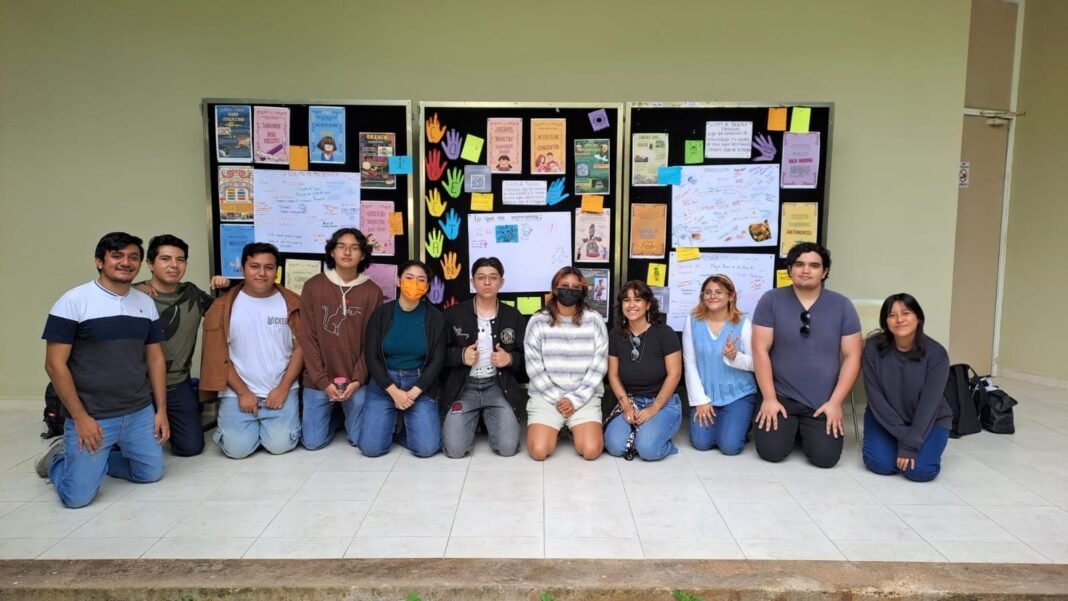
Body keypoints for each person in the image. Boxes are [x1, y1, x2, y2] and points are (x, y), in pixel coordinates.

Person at [37, 232, 169, 508]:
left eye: (133, 257)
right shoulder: (73, 301)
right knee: (77, 499)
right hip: (93, 415)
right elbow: (54, 364)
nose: (126, 262)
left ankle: (98, 460)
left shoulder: (145, 303)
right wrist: (80, 417)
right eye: (117, 256)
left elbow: (155, 359)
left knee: (150, 474)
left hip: (138, 413)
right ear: (99, 261)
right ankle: (59, 460)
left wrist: (160, 411)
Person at [752, 242, 862, 468]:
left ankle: (804, 430)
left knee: (825, 459)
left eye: (814, 265)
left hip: (822, 399)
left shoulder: (842, 305)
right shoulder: (770, 300)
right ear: (789, 270)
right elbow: (759, 350)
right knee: (771, 452)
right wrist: (770, 399)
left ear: (825, 271)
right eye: (799, 264)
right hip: (780, 395)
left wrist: (835, 402)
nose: (806, 270)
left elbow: (852, 356)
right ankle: (793, 428)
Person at [199, 242, 303, 459]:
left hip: (281, 390)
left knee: (279, 446)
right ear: (242, 269)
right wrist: (243, 392)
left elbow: (300, 349)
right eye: (254, 266)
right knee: (237, 451)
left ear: (277, 271)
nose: (262, 273)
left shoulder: (292, 303)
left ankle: (267, 428)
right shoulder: (222, 306)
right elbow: (218, 355)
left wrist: (283, 388)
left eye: (268, 267)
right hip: (237, 391)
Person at [134, 234, 229, 457]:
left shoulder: (192, 294)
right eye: (165, 259)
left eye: (181, 259)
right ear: (150, 263)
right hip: (136, 388)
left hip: (177, 384)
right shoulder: (131, 295)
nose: (174, 265)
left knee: (191, 448)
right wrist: (130, 288)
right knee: (140, 451)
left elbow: (225, 313)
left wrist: (226, 287)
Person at [299, 228, 382, 451]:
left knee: (359, 440)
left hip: (356, 381)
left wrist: (357, 379)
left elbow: (372, 343)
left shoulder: (372, 291)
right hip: (319, 382)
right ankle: (334, 416)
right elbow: (307, 338)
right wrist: (323, 381)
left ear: (363, 255)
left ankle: (341, 414)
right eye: (341, 247)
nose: (347, 252)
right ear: (332, 252)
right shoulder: (313, 286)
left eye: (354, 248)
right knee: (312, 443)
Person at [441, 258, 525, 458]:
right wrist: (460, 356)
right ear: (473, 282)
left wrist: (510, 359)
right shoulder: (453, 314)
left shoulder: (513, 315)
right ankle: (474, 417)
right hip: (465, 388)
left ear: (501, 282)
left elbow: (526, 359)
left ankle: (488, 416)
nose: (487, 283)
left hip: (497, 387)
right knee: (455, 451)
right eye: (481, 278)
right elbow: (438, 355)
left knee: (507, 448)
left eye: (493, 278)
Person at [862, 293, 951, 482]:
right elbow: (875, 397)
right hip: (883, 418)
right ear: (885, 321)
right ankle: (898, 443)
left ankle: (918, 445)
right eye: (892, 315)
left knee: (920, 472)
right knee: (881, 464)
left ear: (918, 318)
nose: (899, 320)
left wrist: (910, 445)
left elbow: (930, 405)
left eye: (906, 313)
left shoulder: (937, 354)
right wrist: (905, 438)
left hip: (930, 420)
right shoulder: (872, 347)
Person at [361, 260, 445, 457]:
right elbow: (371, 356)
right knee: (371, 449)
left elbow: (437, 360)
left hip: (419, 383)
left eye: (421, 280)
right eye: (409, 278)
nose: (414, 283)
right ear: (398, 281)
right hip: (384, 383)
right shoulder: (381, 314)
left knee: (427, 449)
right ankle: (388, 424)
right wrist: (393, 391)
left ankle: (406, 429)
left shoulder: (435, 317)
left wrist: (413, 393)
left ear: (426, 287)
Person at [524, 267, 608, 460]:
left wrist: (575, 400)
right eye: (564, 286)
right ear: (554, 289)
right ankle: (559, 425)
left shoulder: (594, 320)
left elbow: (599, 365)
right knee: (538, 451)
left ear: (582, 291)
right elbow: (534, 367)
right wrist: (558, 399)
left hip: (583, 397)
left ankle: (574, 429)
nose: (569, 290)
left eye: (575, 287)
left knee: (591, 451)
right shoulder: (538, 321)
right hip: (546, 397)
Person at [604, 280, 682, 461]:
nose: (631, 305)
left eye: (637, 300)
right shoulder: (616, 334)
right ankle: (642, 435)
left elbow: (674, 374)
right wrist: (626, 406)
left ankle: (664, 445)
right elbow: (613, 375)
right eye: (626, 300)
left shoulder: (665, 333)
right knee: (614, 446)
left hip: (663, 403)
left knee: (647, 449)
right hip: (631, 401)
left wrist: (654, 408)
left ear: (648, 305)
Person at [683, 274, 759, 455]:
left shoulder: (743, 324)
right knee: (701, 443)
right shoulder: (692, 321)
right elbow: (690, 362)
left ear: (731, 296)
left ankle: (739, 424)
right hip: (707, 395)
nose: (712, 296)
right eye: (707, 292)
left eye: (719, 292)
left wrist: (735, 357)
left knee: (730, 447)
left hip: (738, 394)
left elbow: (756, 364)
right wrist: (700, 400)